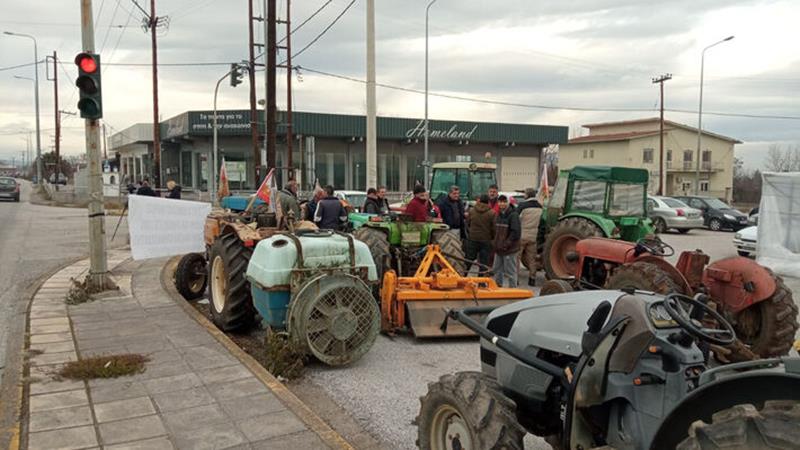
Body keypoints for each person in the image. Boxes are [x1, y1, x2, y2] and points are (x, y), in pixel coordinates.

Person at [516, 188, 543, 286]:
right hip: (533, 237)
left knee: (516, 258)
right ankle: (532, 279)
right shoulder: (540, 207)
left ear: (527, 195)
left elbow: (516, 218)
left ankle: (516, 279)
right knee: (532, 259)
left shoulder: (522, 206)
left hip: (522, 235)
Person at [493, 195, 521, 287]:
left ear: (508, 202)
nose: (502, 204)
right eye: (500, 202)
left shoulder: (513, 215)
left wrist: (506, 244)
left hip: (509, 250)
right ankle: (497, 288)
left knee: (510, 272)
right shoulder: (498, 215)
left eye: (504, 202)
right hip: (499, 249)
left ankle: (513, 290)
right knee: (497, 270)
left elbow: (515, 233)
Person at [465, 194, 495, 273]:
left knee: (468, 260)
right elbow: (494, 228)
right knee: (484, 262)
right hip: (485, 240)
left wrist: (470, 233)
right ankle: (481, 281)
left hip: (472, 239)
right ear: (488, 202)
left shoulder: (472, 211)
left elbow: (467, 223)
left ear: (479, 201)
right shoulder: (492, 213)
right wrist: (491, 238)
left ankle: (463, 277)